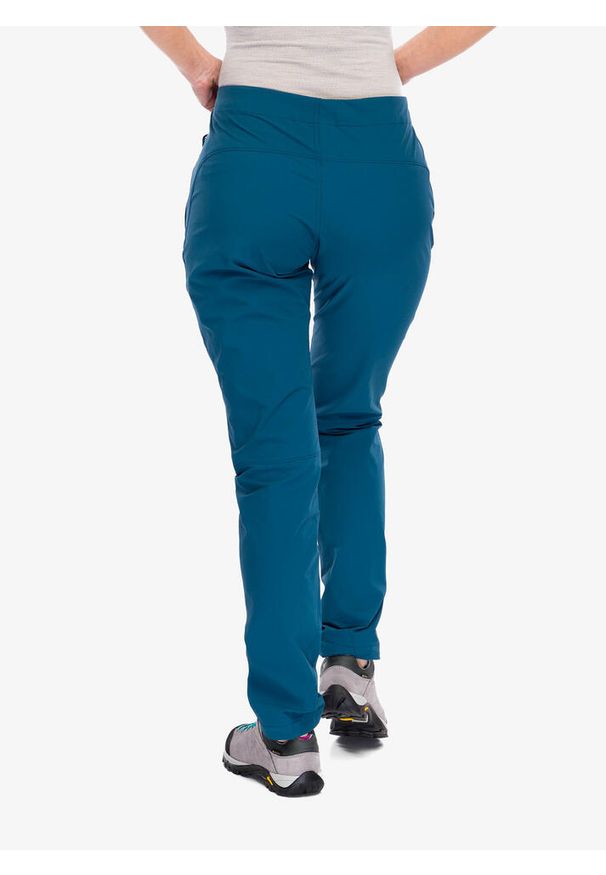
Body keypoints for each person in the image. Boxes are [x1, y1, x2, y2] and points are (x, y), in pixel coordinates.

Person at [142, 25, 494, 797]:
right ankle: (351, 663)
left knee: (275, 453)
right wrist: (393, 67)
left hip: (252, 152)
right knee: (350, 414)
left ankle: (285, 733)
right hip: (379, 157)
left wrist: (197, 65)